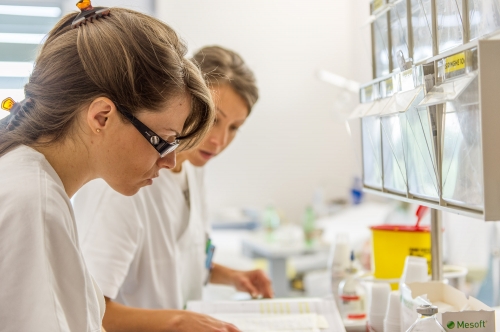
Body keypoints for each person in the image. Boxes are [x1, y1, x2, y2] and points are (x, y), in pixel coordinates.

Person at [0, 5, 237, 332]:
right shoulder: (33, 202)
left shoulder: (34, 183)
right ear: (102, 117)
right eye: (164, 140)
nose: (170, 161)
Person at [73, 46, 272, 332]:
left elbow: (173, 259)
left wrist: (230, 276)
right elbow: (90, 310)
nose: (219, 141)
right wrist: (177, 322)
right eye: (214, 119)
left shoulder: (192, 169)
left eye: (234, 127)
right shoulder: (121, 183)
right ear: (186, 101)